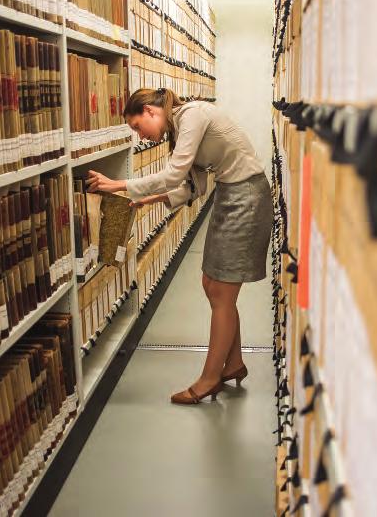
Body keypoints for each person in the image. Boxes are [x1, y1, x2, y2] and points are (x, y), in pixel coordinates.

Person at [86, 88, 273, 405]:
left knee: (222, 289)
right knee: (212, 284)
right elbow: (196, 184)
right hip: (231, 195)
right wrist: (152, 198)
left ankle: (210, 379)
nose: (139, 135)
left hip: (247, 197)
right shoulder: (179, 127)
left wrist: (120, 185)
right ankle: (234, 361)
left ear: (149, 111)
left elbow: (174, 174)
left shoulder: (192, 115)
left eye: (136, 127)